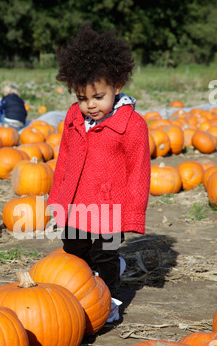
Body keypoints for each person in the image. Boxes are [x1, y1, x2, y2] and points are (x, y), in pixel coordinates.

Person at [47, 25, 151, 322]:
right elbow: (64, 158)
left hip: (109, 207)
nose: (89, 105)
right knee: (73, 252)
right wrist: (58, 198)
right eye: (82, 98)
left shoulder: (132, 125)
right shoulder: (72, 117)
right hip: (77, 202)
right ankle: (77, 301)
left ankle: (109, 304)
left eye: (98, 97)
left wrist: (133, 214)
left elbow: (139, 171)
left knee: (103, 257)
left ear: (117, 85)